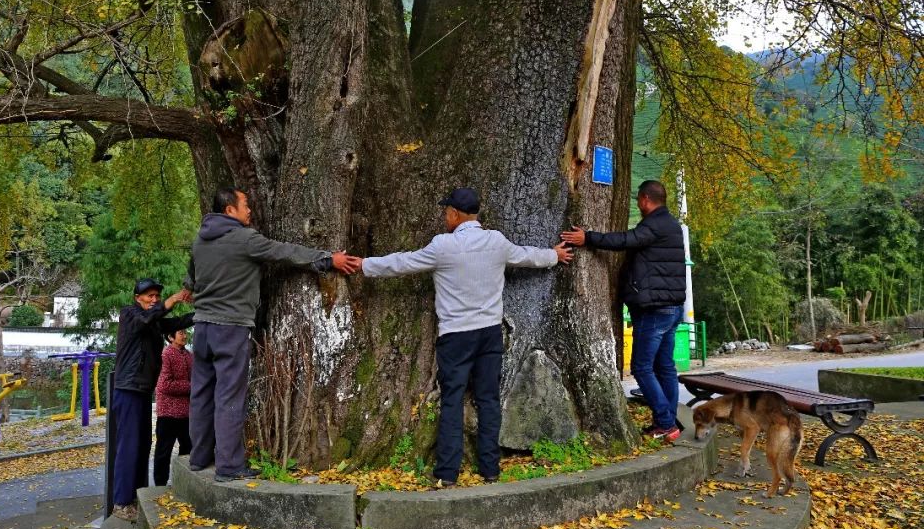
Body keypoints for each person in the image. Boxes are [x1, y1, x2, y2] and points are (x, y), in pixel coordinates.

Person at [355, 187, 573, 487]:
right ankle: (490, 468)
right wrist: (554, 255)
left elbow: (403, 263)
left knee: (452, 400)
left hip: (456, 336)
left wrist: (365, 265)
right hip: (489, 334)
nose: (445, 217)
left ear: (455, 214)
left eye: (446, 212)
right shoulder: (496, 242)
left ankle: (447, 473)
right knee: (488, 400)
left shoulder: (443, 246)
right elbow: (526, 256)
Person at [185, 187, 359, 482]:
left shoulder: (200, 240)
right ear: (230, 210)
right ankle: (228, 466)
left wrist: (197, 286)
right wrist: (328, 259)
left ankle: (199, 457)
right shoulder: (244, 238)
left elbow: (191, 278)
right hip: (231, 327)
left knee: (201, 393)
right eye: (245, 204)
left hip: (201, 327)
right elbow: (285, 252)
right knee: (229, 395)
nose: (250, 209)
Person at [560, 179, 686, 440]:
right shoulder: (671, 224)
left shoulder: (654, 224)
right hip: (671, 308)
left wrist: (588, 238)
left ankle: (666, 423)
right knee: (665, 367)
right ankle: (668, 420)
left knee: (641, 368)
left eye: (639, 200)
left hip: (654, 310)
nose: (638, 204)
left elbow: (627, 240)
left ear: (645, 199)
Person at [111, 279, 192, 521]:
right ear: (137, 298)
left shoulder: (153, 323)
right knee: (129, 446)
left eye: (157, 295)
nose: (154, 299)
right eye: (149, 295)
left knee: (142, 444)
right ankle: (121, 503)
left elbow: (177, 322)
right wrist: (173, 299)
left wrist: (206, 311)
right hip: (128, 389)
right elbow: (147, 319)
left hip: (143, 390)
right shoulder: (130, 315)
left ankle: (134, 497)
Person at [153, 328, 192, 488]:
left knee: (188, 449)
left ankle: (184, 482)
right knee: (164, 451)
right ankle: (160, 486)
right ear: (170, 337)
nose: (184, 335)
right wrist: (192, 386)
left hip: (186, 412)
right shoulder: (166, 355)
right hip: (168, 413)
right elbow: (164, 385)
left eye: (185, 332)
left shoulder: (189, 355)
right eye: (180, 333)